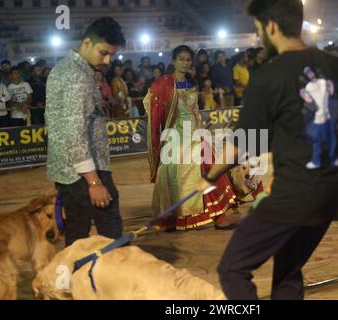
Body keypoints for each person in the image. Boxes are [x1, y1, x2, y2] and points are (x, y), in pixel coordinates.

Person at [197, 0, 338, 300]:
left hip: (292, 195)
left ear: (271, 26)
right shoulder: (334, 66)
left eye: (258, 30)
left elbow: (244, 142)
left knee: (233, 268)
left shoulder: (269, 75)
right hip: (330, 192)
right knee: (288, 272)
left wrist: (212, 176)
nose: (258, 38)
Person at [45, 17, 126, 247]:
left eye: (111, 54)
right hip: (84, 173)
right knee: (110, 232)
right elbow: (74, 130)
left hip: (73, 171)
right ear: (87, 43)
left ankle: (79, 279)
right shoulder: (76, 76)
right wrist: (93, 182)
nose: (107, 60)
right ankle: (110, 281)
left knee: (77, 233)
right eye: (104, 52)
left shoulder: (68, 69)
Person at [143, 45, 238, 231]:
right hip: (176, 135)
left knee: (213, 163)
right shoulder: (162, 85)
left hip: (196, 132)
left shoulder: (192, 83)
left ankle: (219, 216)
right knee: (176, 169)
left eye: (188, 60)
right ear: (173, 61)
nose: (185, 63)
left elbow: (195, 111)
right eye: (181, 59)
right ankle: (175, 218)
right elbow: (150, 105)